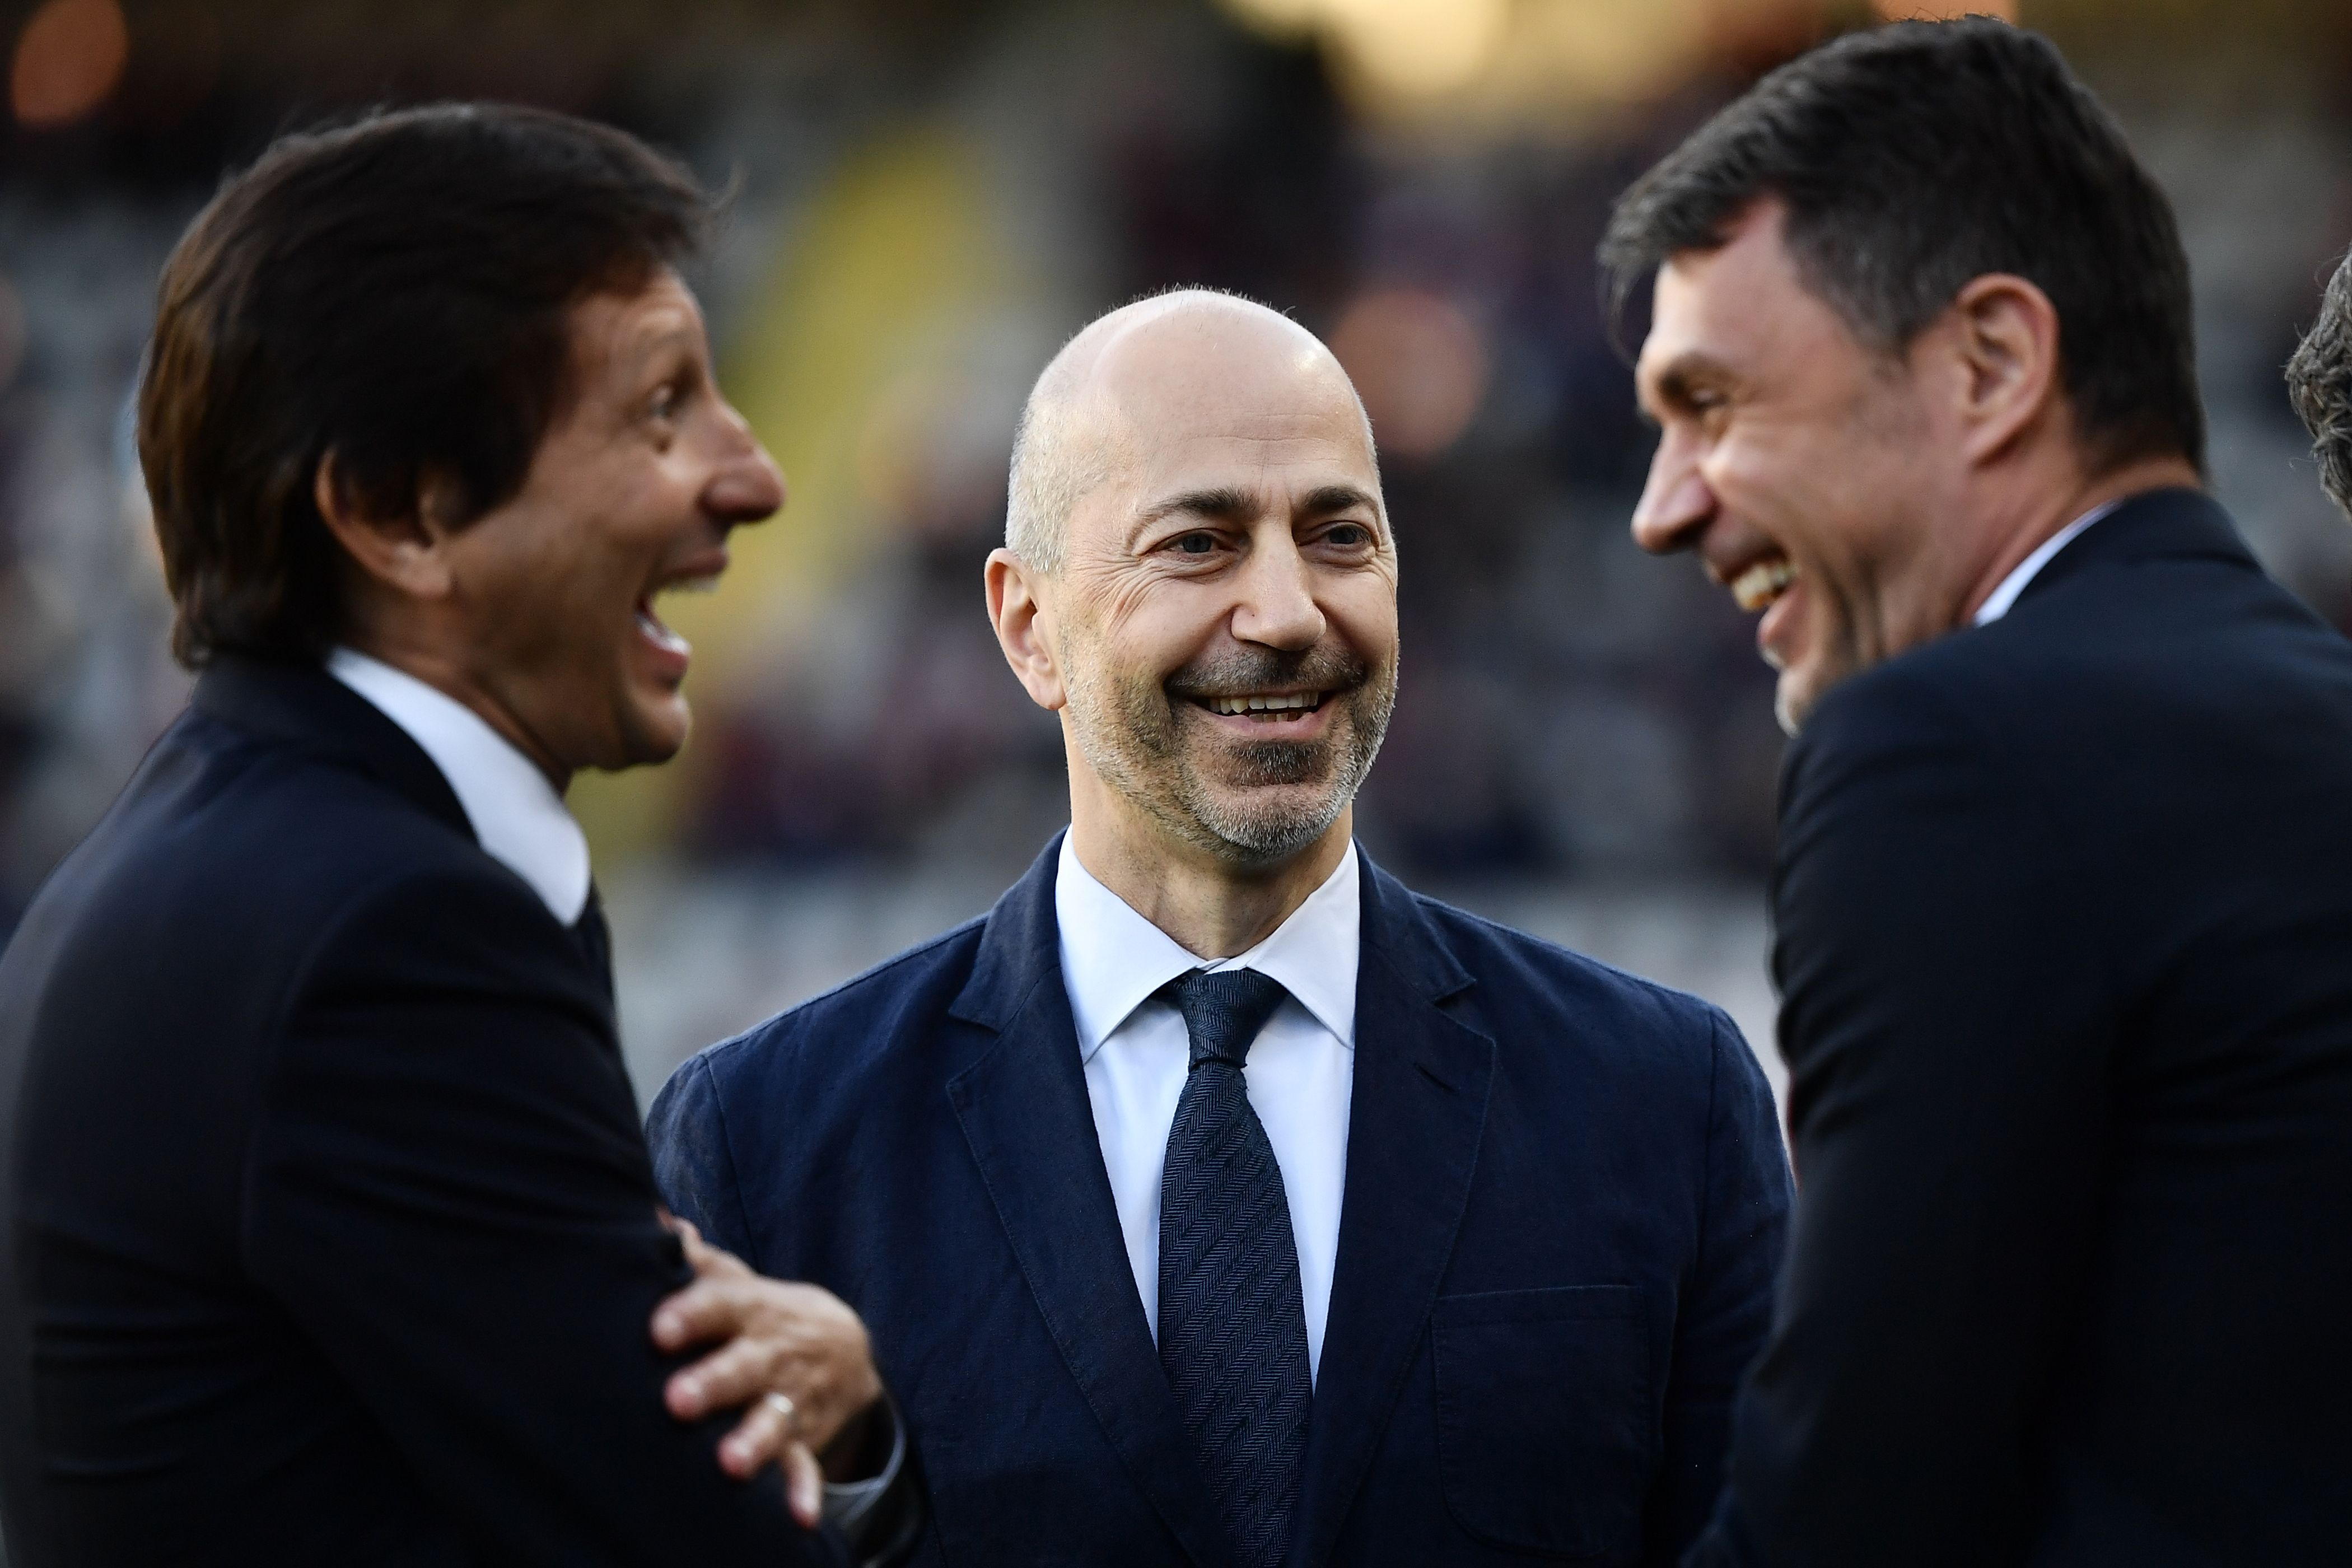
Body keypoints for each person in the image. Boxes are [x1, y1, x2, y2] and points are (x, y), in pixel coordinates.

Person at [646, 288, 1791, 1568]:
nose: (1289, 611)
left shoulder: (1660, 1104)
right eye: (1198, 544)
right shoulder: (772, 1146)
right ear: (1029, 625)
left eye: (1339, 535)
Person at [0, 105, 920, 1566]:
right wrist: (869, 1435)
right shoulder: (379, 937)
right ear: (399, 513)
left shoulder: (211, 865)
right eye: (662, 409)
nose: (752, 479)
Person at [1601, 18, 2352, 1566]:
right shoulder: (2306, 716)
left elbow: (1857, 1513)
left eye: (1716, 406)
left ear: (1992, 364)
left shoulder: (1950, 757)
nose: (1662, 513)